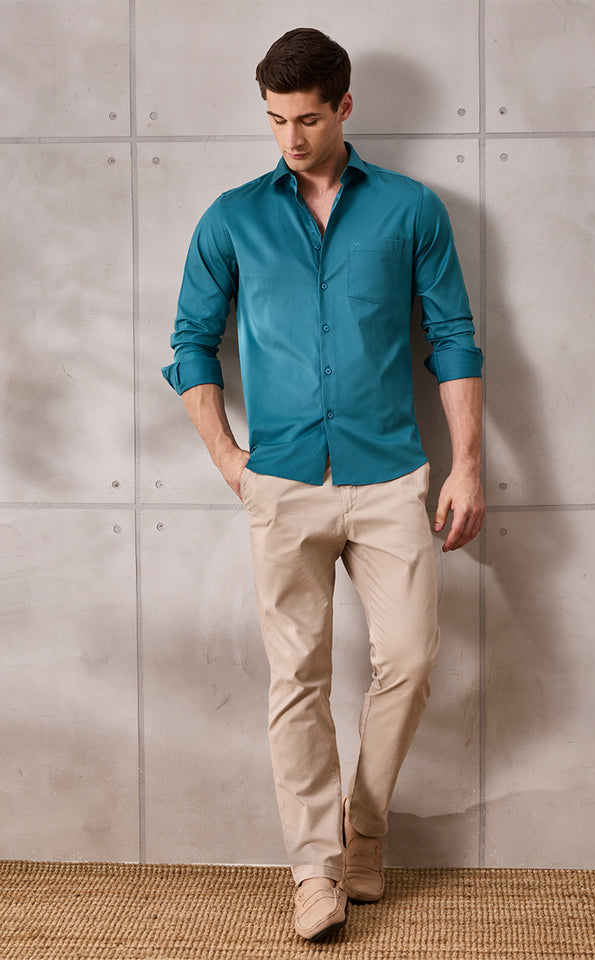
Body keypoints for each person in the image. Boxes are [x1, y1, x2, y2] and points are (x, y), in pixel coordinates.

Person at [162, 27, 485, 941]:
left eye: (306, 119)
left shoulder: (412, 210)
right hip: (283, 482)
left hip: (390, 478)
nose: (291, 139)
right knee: (297, 679)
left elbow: (452, 337)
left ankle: (364, 832)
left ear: (344, 106)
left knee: (410, 661)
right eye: (275, 120)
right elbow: (190, 343)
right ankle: (314, 870)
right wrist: (228, 460)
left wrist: (466, 463)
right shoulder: (231, 218)